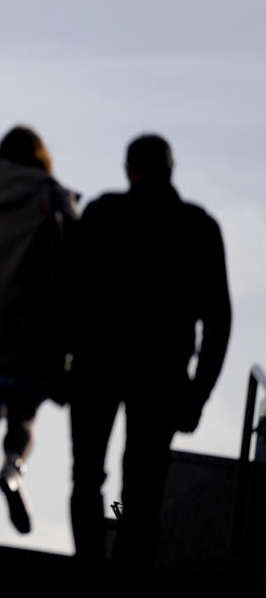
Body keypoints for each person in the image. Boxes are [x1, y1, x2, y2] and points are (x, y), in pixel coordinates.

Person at [69, 134, 231, 565]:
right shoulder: (199, 227)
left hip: (96, 365)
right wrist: (199, 393)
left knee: (87, 477)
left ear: (129, 170)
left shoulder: (102, 213)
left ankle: (88, 559)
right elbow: (220, 321)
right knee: (143, 490)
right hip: (163, 374)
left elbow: (68, 294)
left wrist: (61, 364)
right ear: (170, 171)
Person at [0, 126, 78, 542]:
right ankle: (13, 469)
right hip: (32, 318)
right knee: (23, 413)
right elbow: (70, 251)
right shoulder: (49, 192)